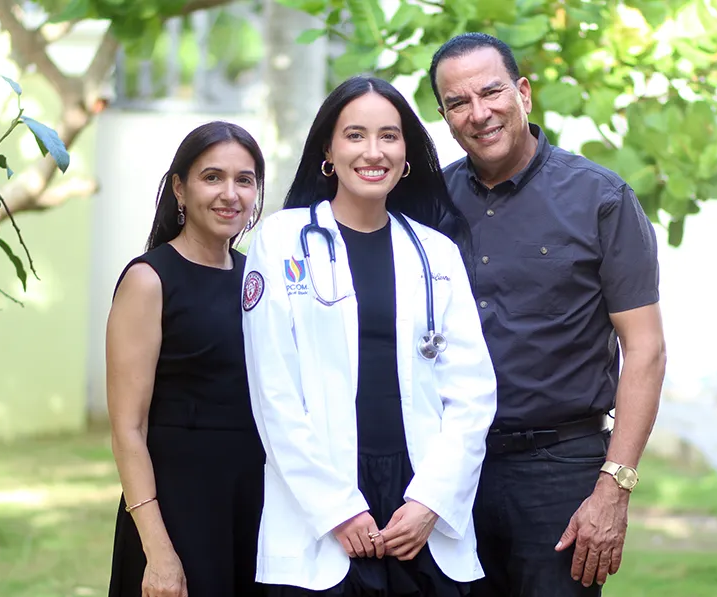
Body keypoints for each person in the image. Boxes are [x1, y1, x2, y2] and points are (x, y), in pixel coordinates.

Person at [428, 33, 668, 596]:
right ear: (443, 115)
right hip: (449, 471)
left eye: (491, 92)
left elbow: (647, 350)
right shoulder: (427, 205)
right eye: (458, 103)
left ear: (524, 93)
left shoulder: (601, 199)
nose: (479, 113)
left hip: (560, 471)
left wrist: (613, 488)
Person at [240, 75, 497, 596]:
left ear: (406, 155)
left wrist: (430, 501)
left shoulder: (436, 254)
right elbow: (274, 395)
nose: (373, 151)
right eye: (355, 135)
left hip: (418, 506)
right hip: (322, 508)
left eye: (389, 136)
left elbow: (473, 395)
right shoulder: (282, 242)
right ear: (328, 152)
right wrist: (338, 509)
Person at [106, 121, 267, 597]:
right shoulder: (149, 279)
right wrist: (157, 549)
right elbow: (127, 429)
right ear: (180, 187)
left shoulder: (259, 277)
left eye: (245, 179)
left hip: (255, 506)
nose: (230, 194)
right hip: (178, 509)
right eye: (212, 177)